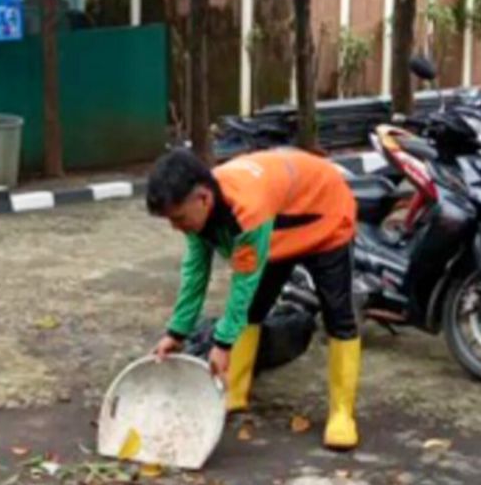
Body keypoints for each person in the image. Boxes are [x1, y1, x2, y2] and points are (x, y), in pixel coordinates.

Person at [147, 148, 363, 451]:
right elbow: (196, 272)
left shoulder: (247, 209)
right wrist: (176, 332)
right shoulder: (200, 211)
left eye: (179, 218)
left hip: (323, 214)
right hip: (279, 224)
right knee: (254, 308)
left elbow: (243, 281)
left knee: (337, 315)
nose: (176, 227)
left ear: (203, 198)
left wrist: (222, 345)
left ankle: (342, 413)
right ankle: (234, 390)